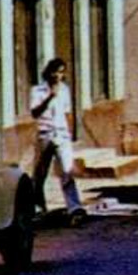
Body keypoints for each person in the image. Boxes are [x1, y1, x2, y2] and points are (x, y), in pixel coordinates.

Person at [29, 58, 86, 226]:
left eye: (61, 72)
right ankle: (38, 208)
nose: (58, 76)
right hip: (45, 133)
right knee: (40, 174)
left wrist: (68, 133)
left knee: (66, 171)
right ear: (48, 72)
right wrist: (48, 98)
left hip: (61, 134)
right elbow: (35, 112)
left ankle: (74, 207)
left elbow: (67, 112)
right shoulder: (37, 90)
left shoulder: (65, 90)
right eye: (55, 71)